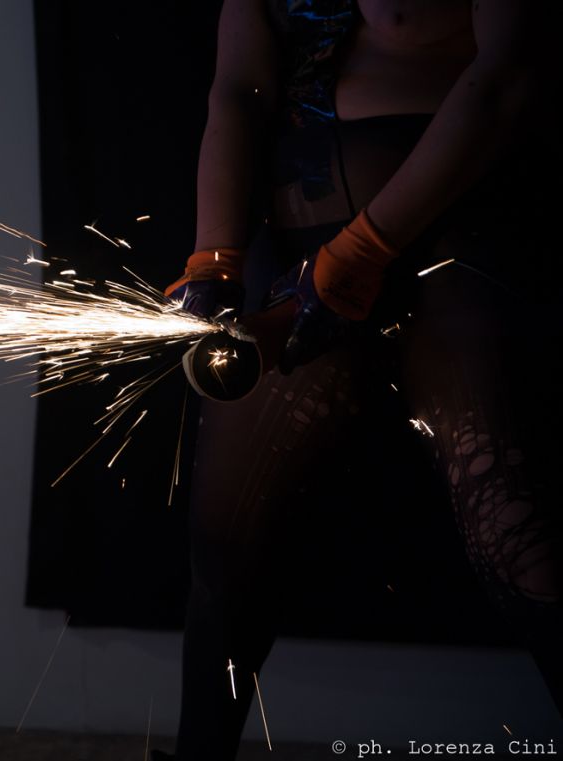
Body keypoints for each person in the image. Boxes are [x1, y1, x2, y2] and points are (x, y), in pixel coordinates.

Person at [156, 0, 562, 757]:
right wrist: (215, 257)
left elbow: (508, 76)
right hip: (304, 269)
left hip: (456, 245)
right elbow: (238, 90)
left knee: (521, 539)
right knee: (226, 553)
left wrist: (369, 245)